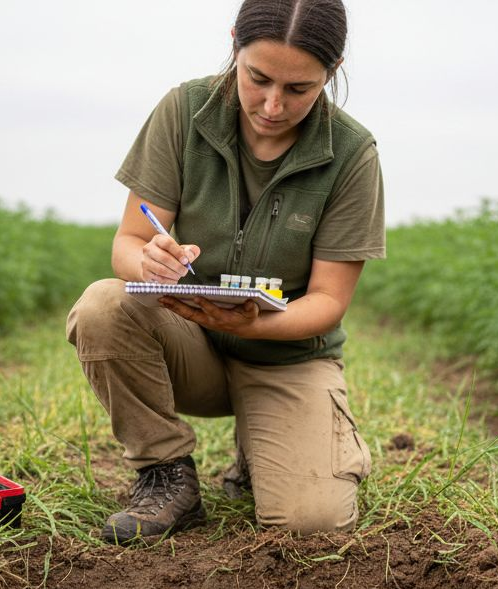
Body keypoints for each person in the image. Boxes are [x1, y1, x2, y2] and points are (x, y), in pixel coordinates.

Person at [66, 0, 385, 544]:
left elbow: (328, 302)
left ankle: (265, 449)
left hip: (285, 356)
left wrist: (254, 325)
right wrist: (147, 260)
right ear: (234, 43)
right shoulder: (184, 109)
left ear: (330, 74)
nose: (272, 105)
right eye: (256, 78)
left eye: (299, 89)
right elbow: (130, 240)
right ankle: (166, 474)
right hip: (190, 340)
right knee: (102, 304)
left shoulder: (353, 154)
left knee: (311, 522)